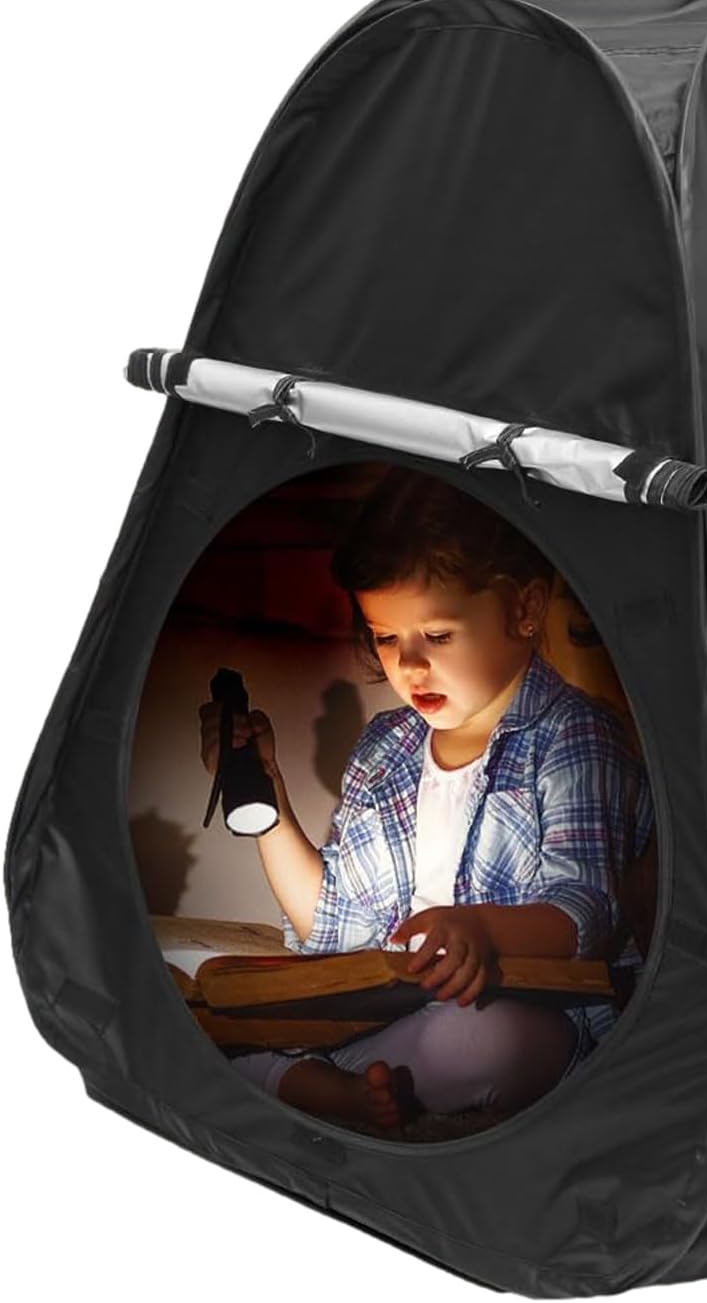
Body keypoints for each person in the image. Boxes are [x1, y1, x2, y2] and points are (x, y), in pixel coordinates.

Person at [197, 466, 654, 1135]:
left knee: (498, 1039)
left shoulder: (574, 735)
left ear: (525, 610)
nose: (409, 665)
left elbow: (583, 910)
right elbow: (336, 922)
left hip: (516, 1012)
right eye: (386, 637)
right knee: (205, 1016)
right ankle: (336, 1086)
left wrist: (481, 931)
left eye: (437, 636)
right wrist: (268, 796)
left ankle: (314, 1085)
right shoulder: (385, 747)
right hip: (392, 1014)